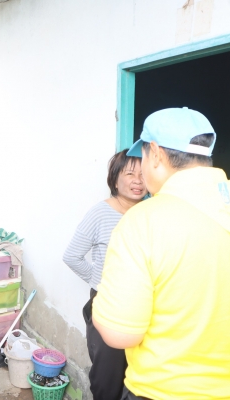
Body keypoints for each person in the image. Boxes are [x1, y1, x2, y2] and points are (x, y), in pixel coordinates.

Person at [93, 107, 230, 399]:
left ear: (155, 153)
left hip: (170, 392)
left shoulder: (142, 221)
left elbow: (120, 333)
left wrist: (100, 305)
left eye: (142, 158)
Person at [63, 150, 147, 400]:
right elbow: (72, 256)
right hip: (108, 305)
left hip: (143, 306)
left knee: (138, 378)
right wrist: (102, 282)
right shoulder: (101, 213)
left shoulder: (150, 213)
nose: (138, 181)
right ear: (115, 179)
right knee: (107, 379)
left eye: (143, 174)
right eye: (130, 174)